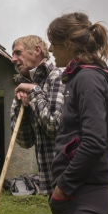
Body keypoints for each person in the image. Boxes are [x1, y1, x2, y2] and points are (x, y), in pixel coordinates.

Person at [46, 13, 108, 214]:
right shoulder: (80, 77)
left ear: (67, 44)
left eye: (53, 43)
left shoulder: (87, 78)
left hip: (87, 195)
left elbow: (94, 142)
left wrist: (63, 188)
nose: (49, 49)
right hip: (78, 195)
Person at [11, 35, 65, 195]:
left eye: (18, 53)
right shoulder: (23, 85)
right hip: (50, 183)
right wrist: (24, 107)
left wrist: (34, 93)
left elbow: (54, 127)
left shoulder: (58, 76)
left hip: (68, 179)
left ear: (37, 50)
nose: (13, 59)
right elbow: (24, 141)